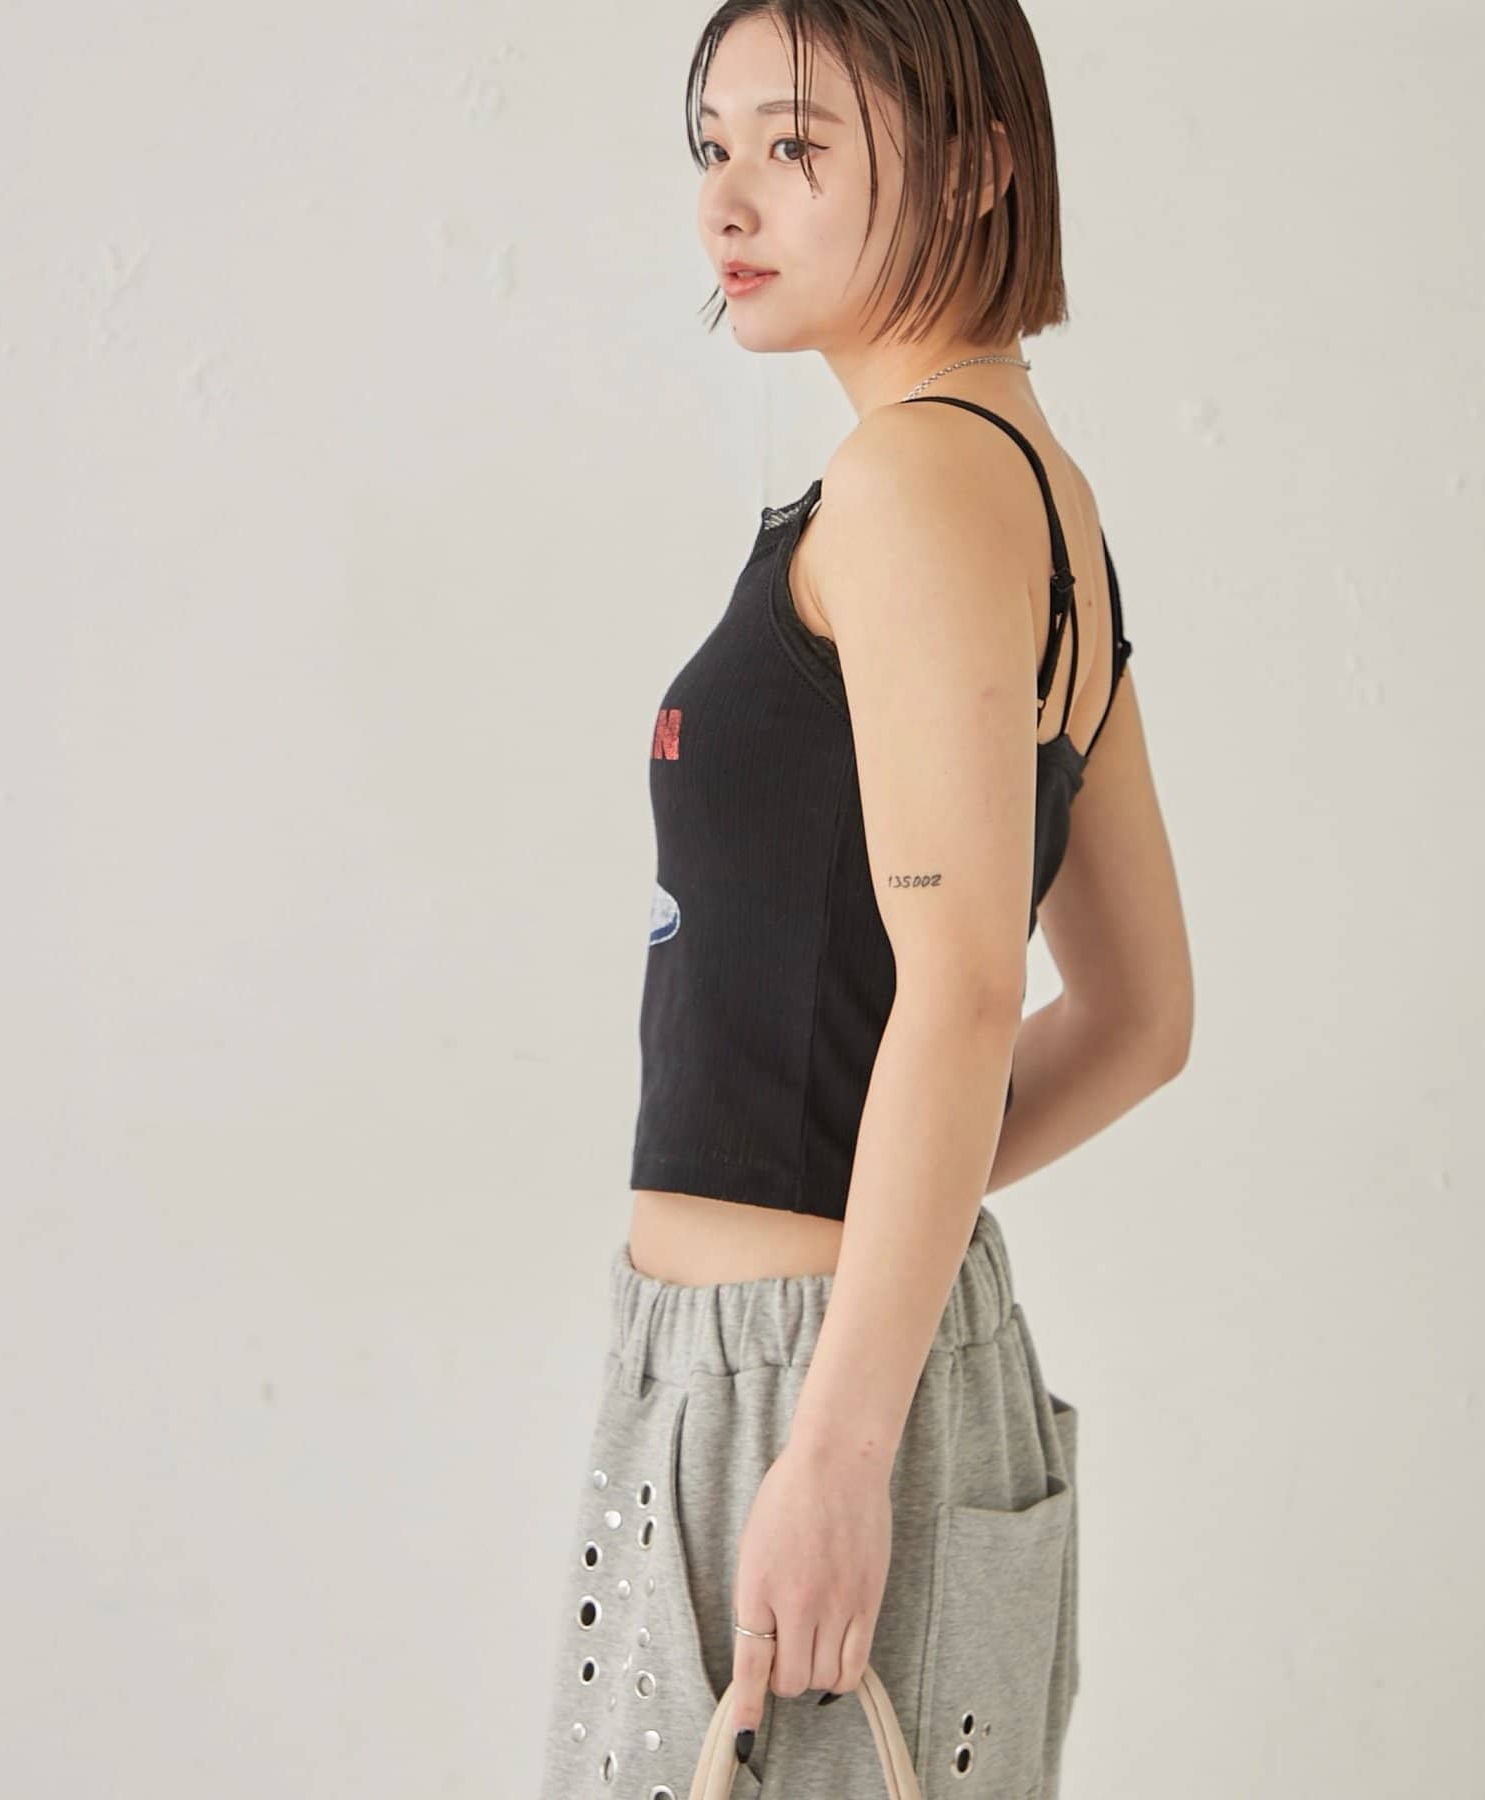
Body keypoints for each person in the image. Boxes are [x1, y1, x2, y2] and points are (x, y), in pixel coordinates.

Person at [535, 2, 1193, 1795]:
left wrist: (831, 1438)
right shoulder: (1037, 496)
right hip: (856, 1358)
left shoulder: (911, 482)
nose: (726, 199)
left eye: (796, 146)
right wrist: (873, 1220)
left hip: (799, 1389)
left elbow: (967, 990)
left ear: (975, 168)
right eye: (713, 145)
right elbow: (1141, 1017)